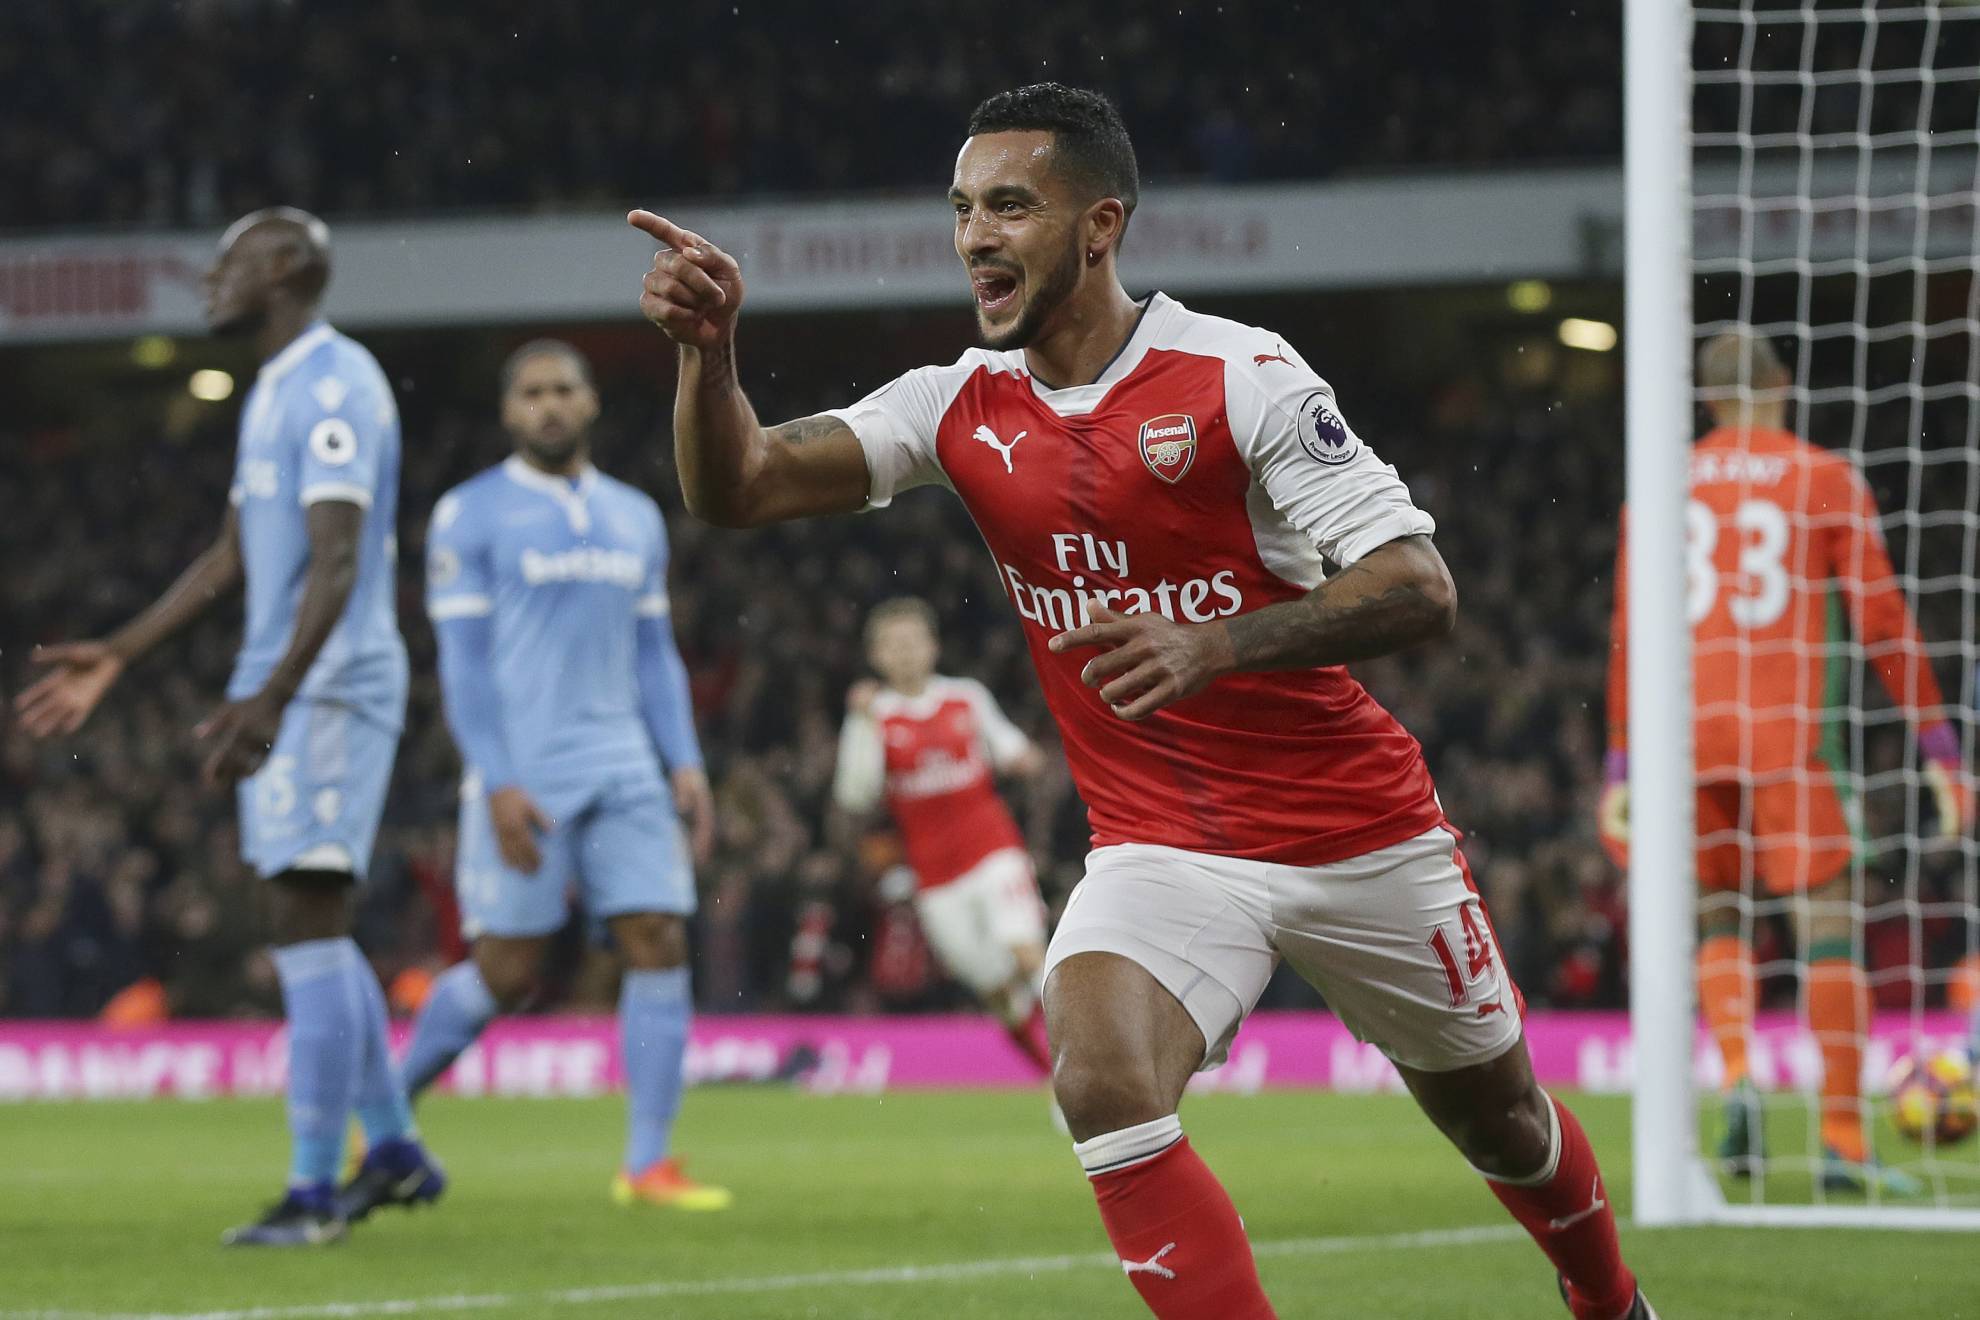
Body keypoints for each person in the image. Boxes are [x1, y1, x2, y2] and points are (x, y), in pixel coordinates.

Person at [628, 82, 1653, 1320]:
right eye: (963, 208)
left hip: (1356, 830)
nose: (976, 237)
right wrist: (709, 356)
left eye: (1011, 205)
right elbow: (737, 486)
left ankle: (1609, 1302)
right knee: (1101, 1077)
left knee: (1501, 1120)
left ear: (1099, 224)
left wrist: (1216, 643)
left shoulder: (1242, 375)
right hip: (1159, 847)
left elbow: (1418, 589)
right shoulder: (952, 404)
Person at [14, 208, 441, 1246]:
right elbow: (234, 553)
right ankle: (385, 1146)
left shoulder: (336, 380)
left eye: (232, 262)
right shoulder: (278, 387)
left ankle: (309, 1195)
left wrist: (279, 692)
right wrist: (120, 651)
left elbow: (337, 560)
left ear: (289, 269)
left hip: (330, 681)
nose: (209, 280)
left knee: (307, 917)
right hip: (295, 678)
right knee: (306, 919)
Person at [1603, 329, 1972, 1195]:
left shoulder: (1656, 489)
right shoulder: (1823, 477)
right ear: (1785, 383)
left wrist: (1622, 764)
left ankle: (1737, 1071)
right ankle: (1842, 1140)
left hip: (1687, 740)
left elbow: (1630, 630)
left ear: (1705, 399)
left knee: (1721, 919)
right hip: (1789, 737)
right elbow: (1881, 623)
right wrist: (1938, 746)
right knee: (1829, 928)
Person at [377, 340, 730, 1214]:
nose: (548, 406)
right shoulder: (471, 514)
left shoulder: (635, 516)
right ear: (509, 411)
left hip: (624, 764)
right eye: (531, 393)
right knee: (505, 969)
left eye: (563, 390)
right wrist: (494, 778)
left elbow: (655, 654)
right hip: (525, 771)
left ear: (590, 403)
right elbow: (460, 667)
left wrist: (683, 759)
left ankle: (647, 1164)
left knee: (658, 938)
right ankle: (381, 1117)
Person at [833, 597, 1053, 1073]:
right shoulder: (877, 716)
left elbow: (1012, 747)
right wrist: (859, 721)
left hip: (994, 848)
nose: (906, 653)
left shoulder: (965, 697)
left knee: (1027, 952)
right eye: (894, 645)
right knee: (993, 986)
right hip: (935, 876)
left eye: (914, 641)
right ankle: (1051, 1075)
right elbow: (856, 794)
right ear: (876, 656)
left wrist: (1027, 759)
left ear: (933, 647)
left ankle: (1093, 1072)